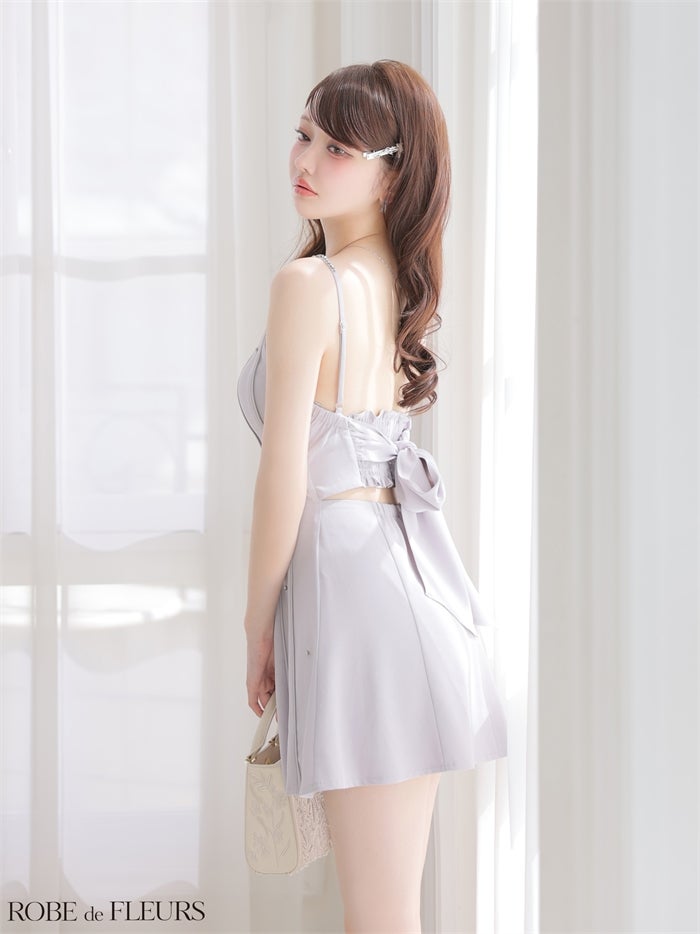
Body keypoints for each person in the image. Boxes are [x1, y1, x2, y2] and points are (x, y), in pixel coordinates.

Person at [237, 60, 507, 933]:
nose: (304, 159)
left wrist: (257, 626)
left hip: (359, 611)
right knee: (389, 914)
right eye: (304, 134)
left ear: (392, 175)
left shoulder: (308, 285)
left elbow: (284, 474)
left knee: (378, 919)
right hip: (405, 595)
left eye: (338, 147)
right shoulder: (393, 281)